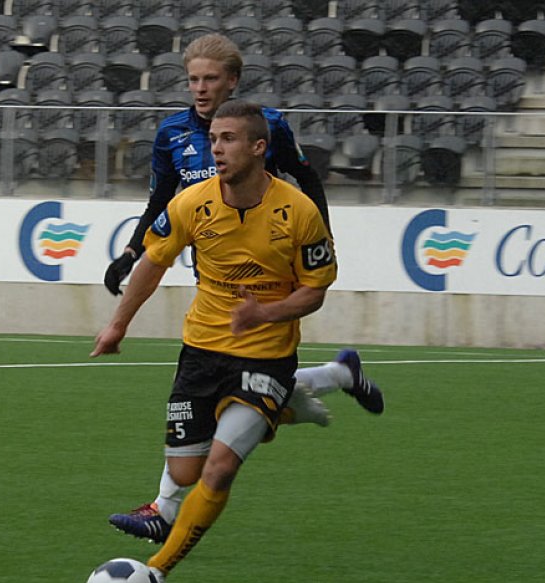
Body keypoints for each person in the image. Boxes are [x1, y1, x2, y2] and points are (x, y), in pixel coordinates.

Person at [102, 34, 384, 544]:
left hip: (265, 273)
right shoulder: (171, 134)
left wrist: (318, 235)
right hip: (210, 268)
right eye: (193, 79)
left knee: (247, 378)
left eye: (211, 79)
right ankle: (337, 375)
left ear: (232, 81)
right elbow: (161, 201)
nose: (201, 88)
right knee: (236, 384)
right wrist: (130, 253)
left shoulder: (266, 125)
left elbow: (305, 178)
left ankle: (164, 509)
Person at [93, 100, 339, 583]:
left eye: (228, 139)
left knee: (222, 467)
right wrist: (117, 326)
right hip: (201, 352)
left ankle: (156, 572)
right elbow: (153, 263)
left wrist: (263, 314)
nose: (217, 149)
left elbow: (315, 289)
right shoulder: (192, 203)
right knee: (186, 470)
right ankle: (293, 401)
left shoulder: (299, 211)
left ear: (258, 147)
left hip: (266, 352)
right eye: (214, 139)